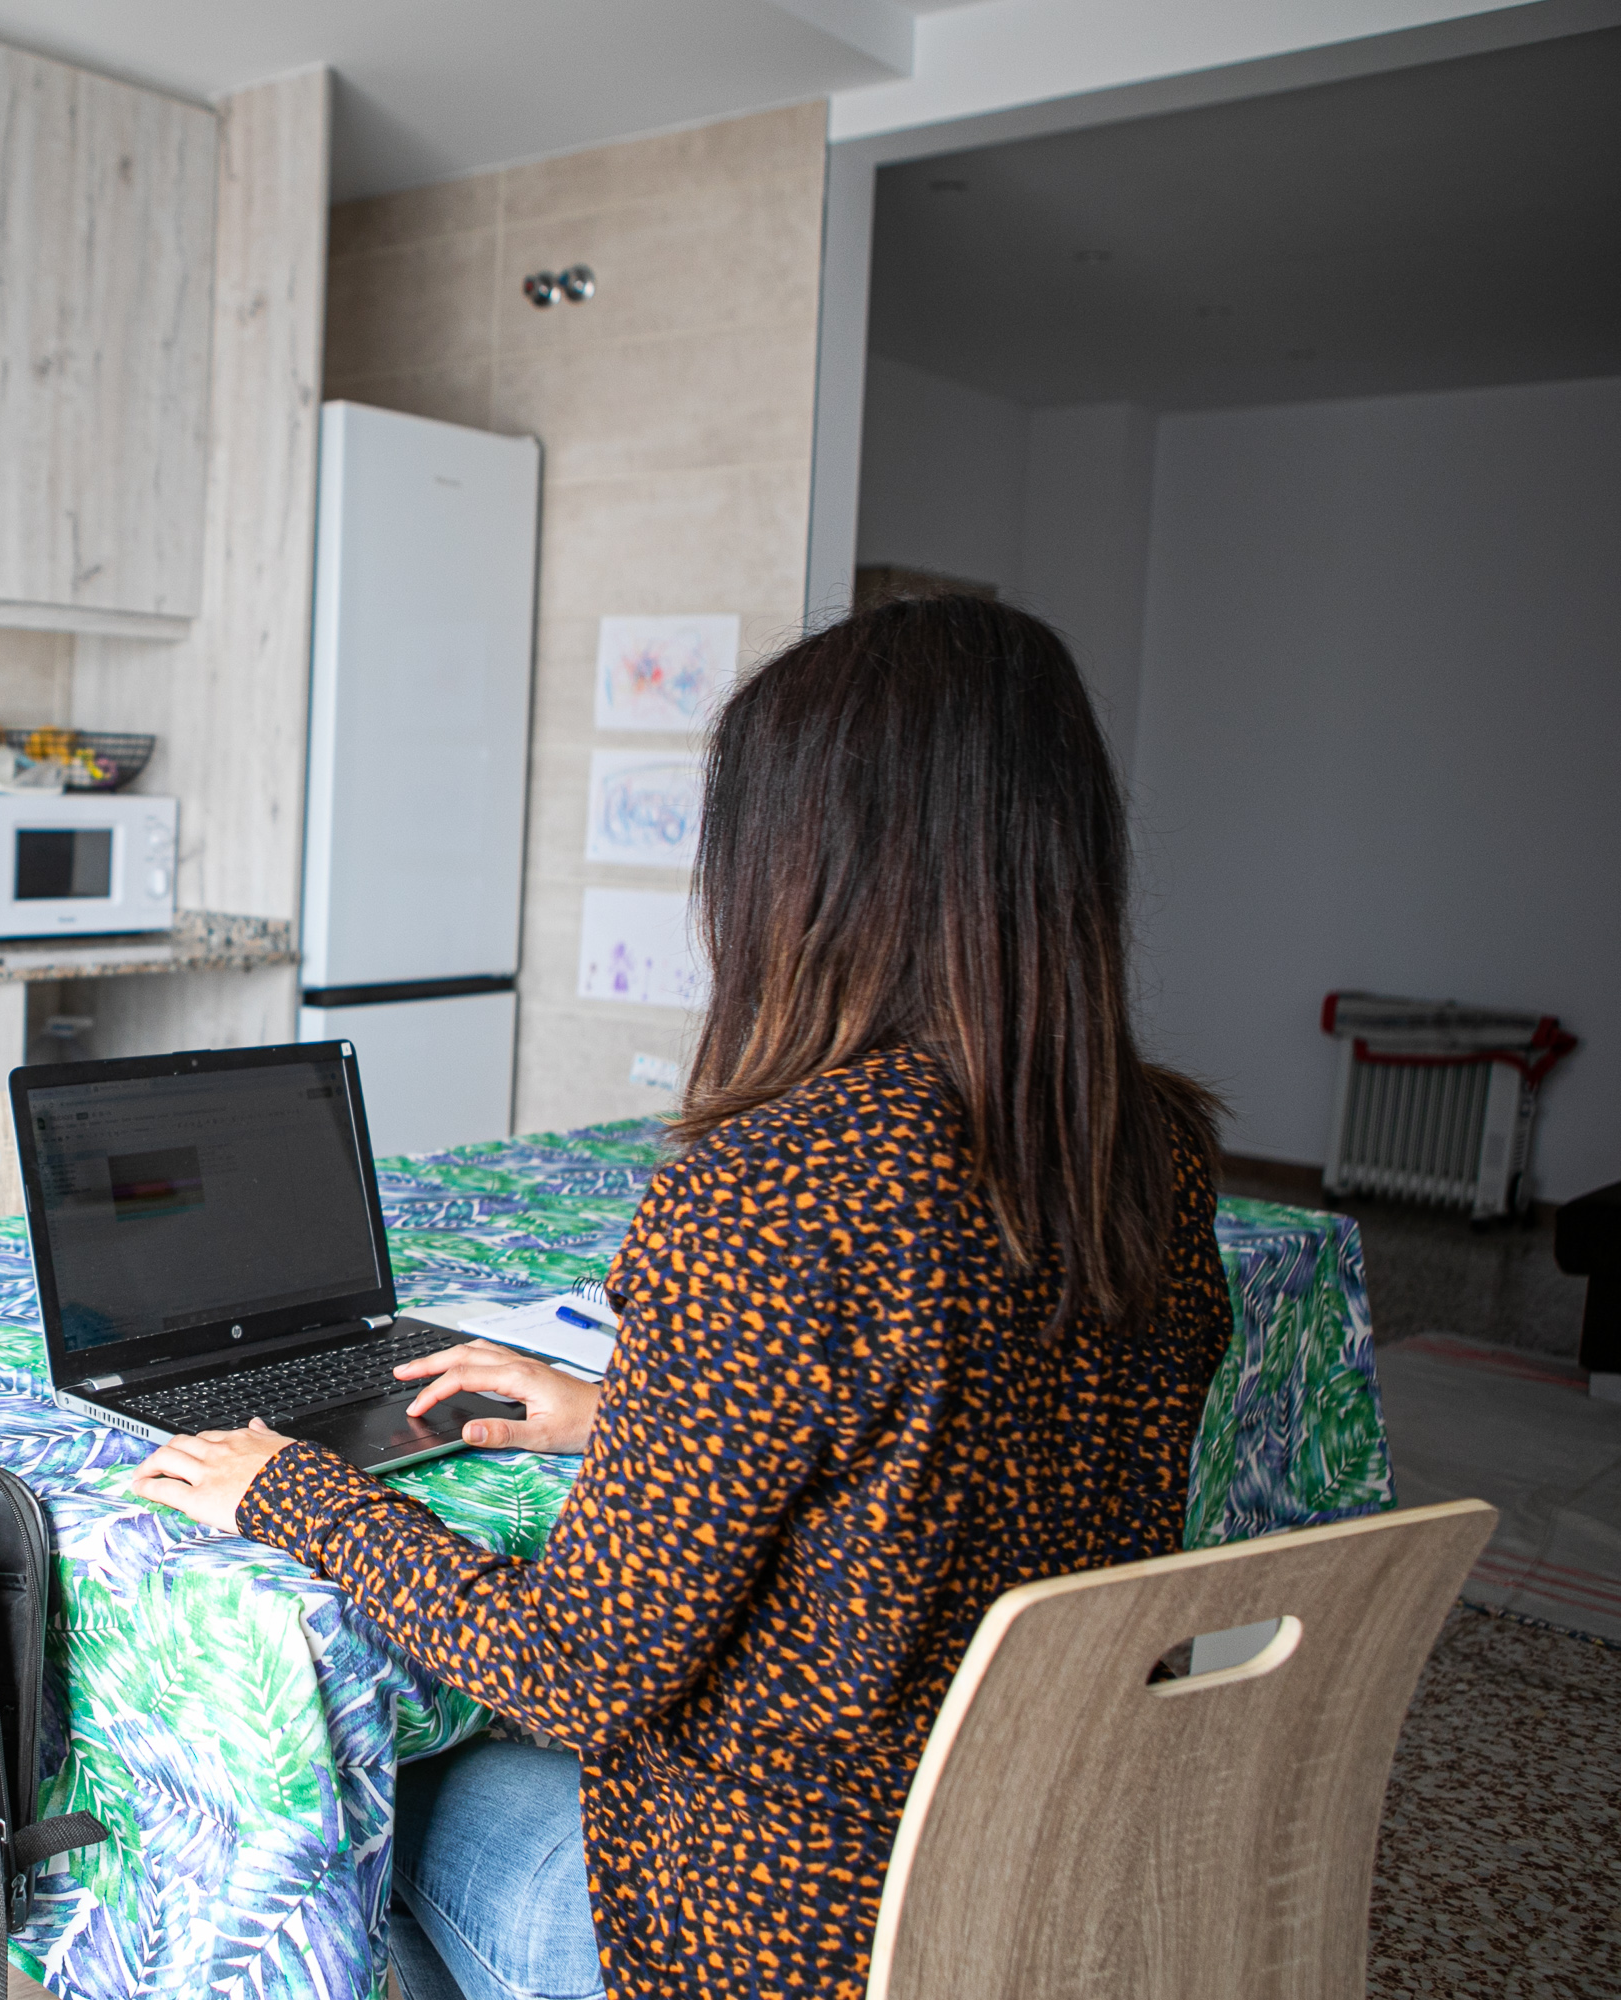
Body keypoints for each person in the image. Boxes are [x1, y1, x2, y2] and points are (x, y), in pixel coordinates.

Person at [129, 595, 1235, 2000]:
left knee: (341, 1793)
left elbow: (570, 1671)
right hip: (1040, 1849)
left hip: (780, 1925)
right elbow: (954, 1433)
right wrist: (632, 1412)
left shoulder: (779, 1185)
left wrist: (299, 1493)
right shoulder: (1149, 1144)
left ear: (805, 865)